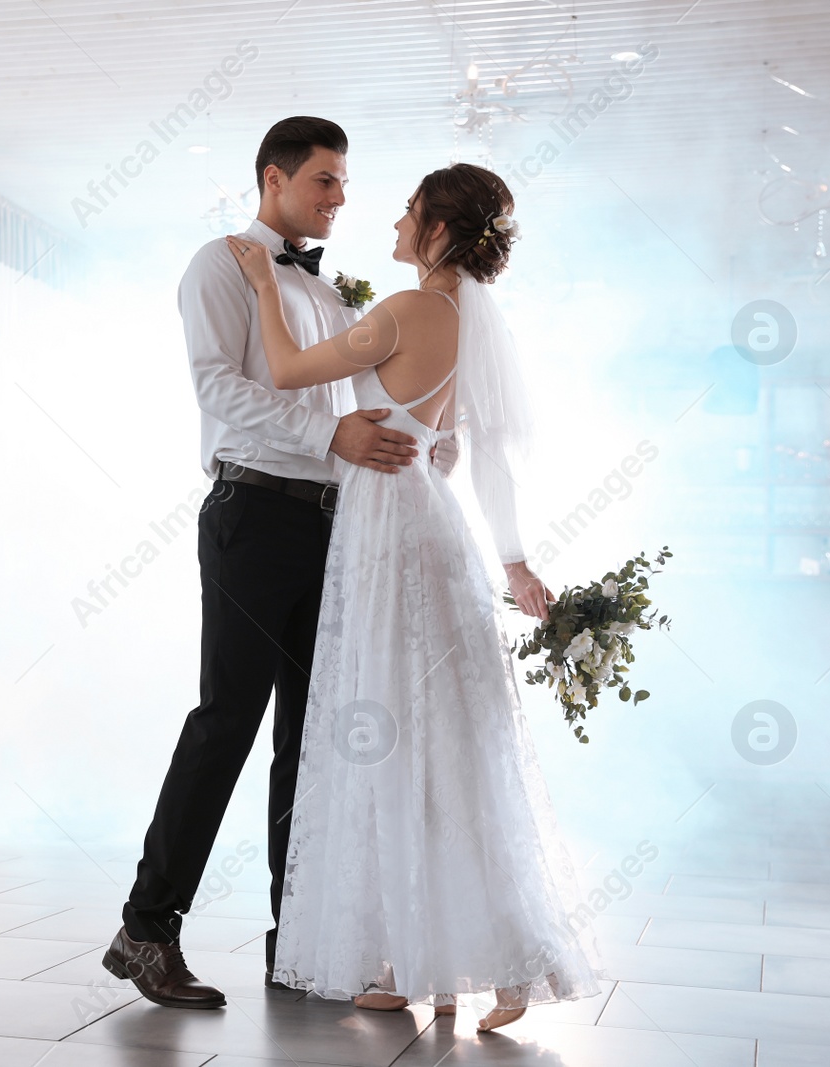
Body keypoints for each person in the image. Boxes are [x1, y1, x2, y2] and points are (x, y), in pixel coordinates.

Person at [225, 163, 601, 1030]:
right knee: (436, 743)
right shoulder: (468, 323)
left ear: (437, 228)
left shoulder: (405, 312)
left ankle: (435, 956)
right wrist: (513, 563)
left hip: (390, 537)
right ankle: (435, 958)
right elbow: (477, 455)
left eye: (408, 208)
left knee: (391, 733)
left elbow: (284, 370)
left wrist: (259, 283)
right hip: (432, 534)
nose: (392, 218)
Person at [102, 117, 459, 1009]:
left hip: (332, 522)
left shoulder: (328, 285)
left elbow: (349, 388)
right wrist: (330, 431)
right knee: (228, 721)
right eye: (325, 182)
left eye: (344, 183)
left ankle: (294, 944)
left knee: (309, 739)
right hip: (252, 513)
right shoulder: (219, 265)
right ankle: (147, 930)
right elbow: (218, 386)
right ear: (275, 179)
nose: (340, 199)